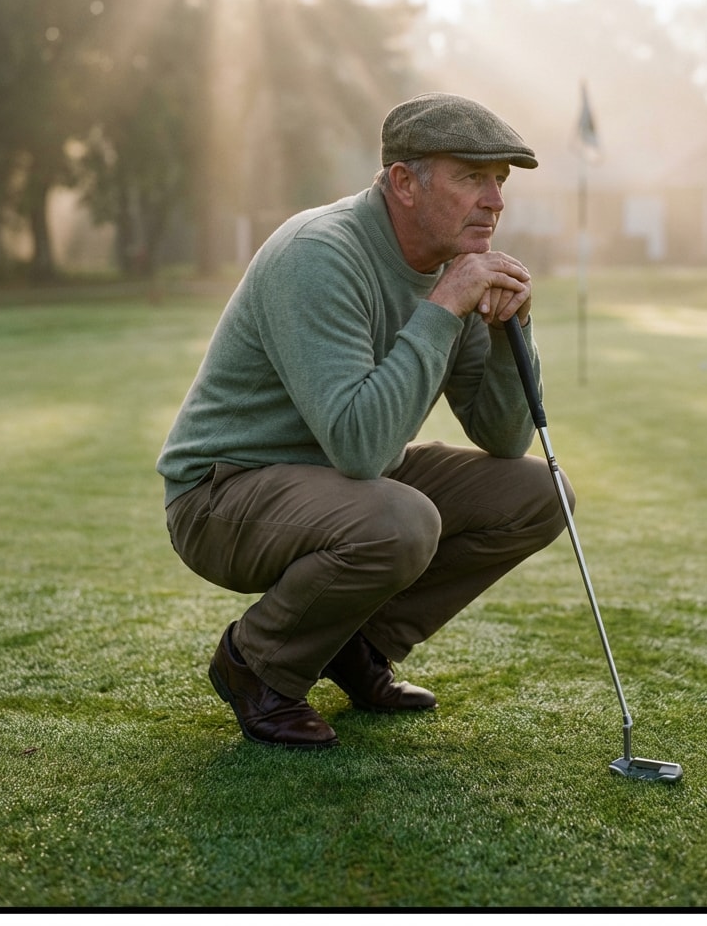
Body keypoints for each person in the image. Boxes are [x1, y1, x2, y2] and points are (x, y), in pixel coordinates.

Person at [157, 92, 575, 749]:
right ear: (405, 183)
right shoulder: (318, 254)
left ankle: (358, 647)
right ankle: (256, 663)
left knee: (542, 493)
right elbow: (361, 447)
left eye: (499, 181)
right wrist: (442, 309)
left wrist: (509, 331)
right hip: (222, 493)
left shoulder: (451, 268)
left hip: (342, 482)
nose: (495, 200)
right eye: (472, 178)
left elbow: (503, 436)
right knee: (401, 521)